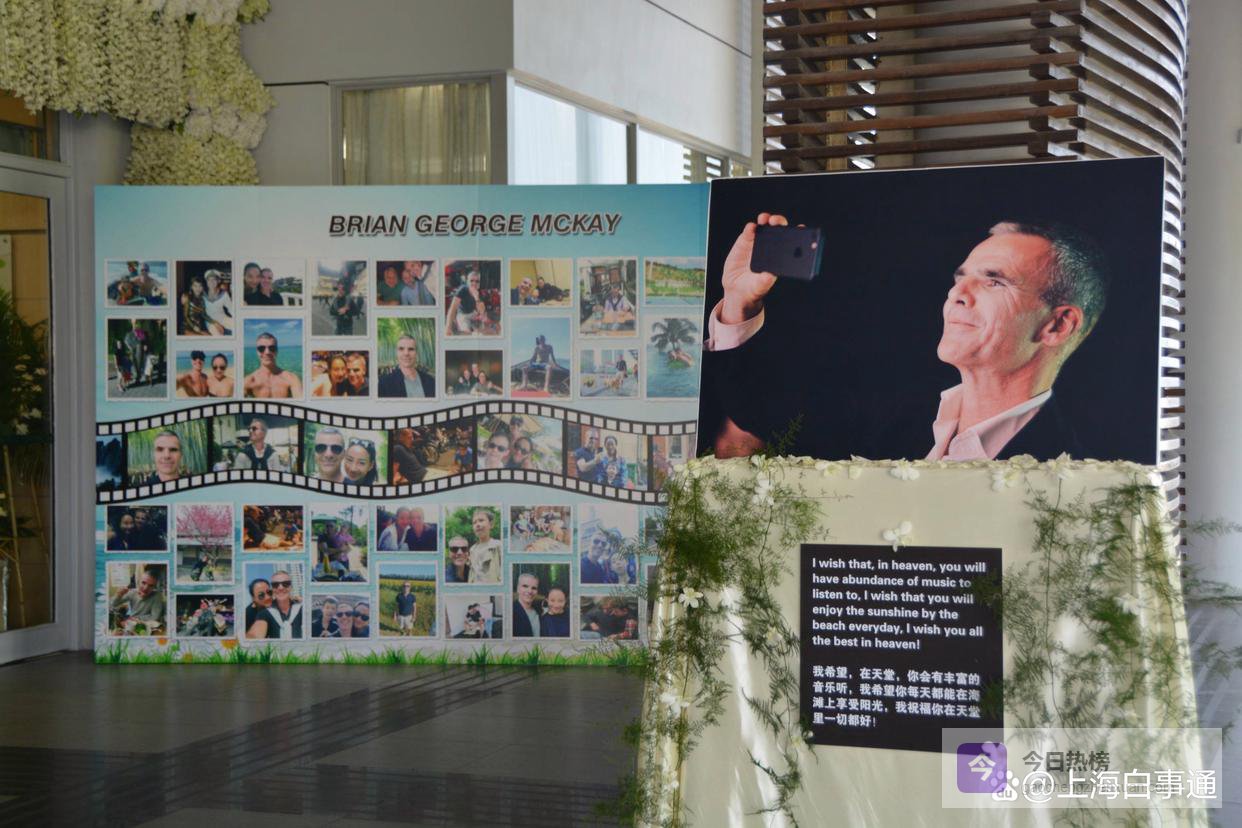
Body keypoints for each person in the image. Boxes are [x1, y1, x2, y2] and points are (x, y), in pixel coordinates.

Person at [706, 214, 1107, 461]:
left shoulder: (1074, 477)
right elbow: (758, 413)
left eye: (994, 281)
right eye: (960, 277)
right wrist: (739, 300)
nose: (956, 294)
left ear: (1057, 325)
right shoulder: (894, 419)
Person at [244, 332, 302, 398]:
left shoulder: (291, 379)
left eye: (272, 348)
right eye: (261, 348)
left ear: (277, 351)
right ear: (257, 352)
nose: (267, 352)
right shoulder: (249, 381)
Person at [247, 569, 302, 639]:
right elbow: (254, 635)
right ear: (253, 598)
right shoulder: (250, 614)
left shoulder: (300, 607)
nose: (267, 597)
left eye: (286, 584)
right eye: (275, 585)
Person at [446, 269, 488, 335]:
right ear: (467, 282)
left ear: (479, 283)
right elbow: (453, 308)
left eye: (477, 281)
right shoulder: (462, 290)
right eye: (471, 280)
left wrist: (476, 297)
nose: (474, 283)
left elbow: (482, 311)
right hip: (463, 315)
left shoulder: (479, 292)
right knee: (466, 333)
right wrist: (448, 327)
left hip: (473, 313)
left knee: (481, 332)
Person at [467, 509, 501, 584]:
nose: (477, 524)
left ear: (491, 525)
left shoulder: (498, 545)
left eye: (481, 520)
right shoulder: (472, 549)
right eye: (474, 522)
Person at [511, 572, 541, 637]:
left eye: (534, 588)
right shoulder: (511, 612)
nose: (530, 591)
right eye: (525, 586)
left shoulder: (539, 611)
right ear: (518, 589)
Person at [203, 270, 232, 335]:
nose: (211, 282)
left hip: (223, 318)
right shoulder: (203, 294)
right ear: (206, 282)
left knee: (238, 325)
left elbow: (231, 308)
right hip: (210, 321)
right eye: (209, 280)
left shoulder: (224, 294)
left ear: (218, 281)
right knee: (217, 334)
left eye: (214, 279)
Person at [124, 322, 149, 387]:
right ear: (132, 326)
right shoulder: (129, 334)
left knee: (139, 364)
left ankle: (138, 379)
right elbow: (125, 341)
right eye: (134, 326)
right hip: (132, 351)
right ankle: (136, 376)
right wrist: (129, 347)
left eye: (137, 326)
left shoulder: (141, 332)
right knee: (133, 364)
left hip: (139, 350)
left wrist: (145, 345)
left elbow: (144, 340)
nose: (136, 327)